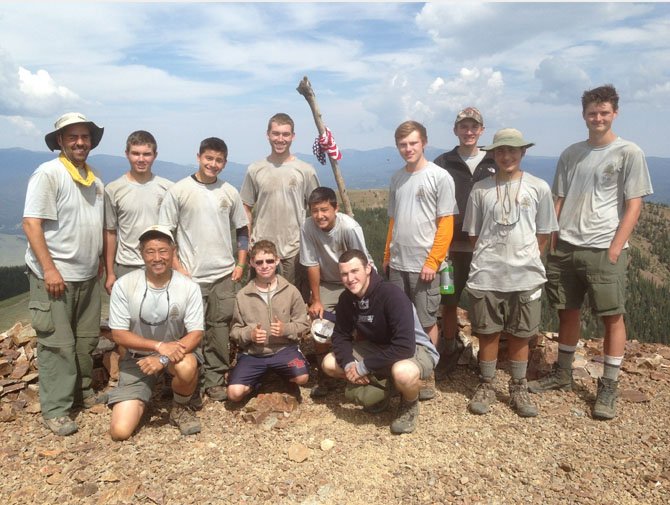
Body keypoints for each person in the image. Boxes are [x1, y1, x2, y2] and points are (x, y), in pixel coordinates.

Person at [528, 85, 654, 420]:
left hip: (602, 247)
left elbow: (634, 204)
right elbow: (559, 198)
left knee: (612, 316)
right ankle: (564, 374)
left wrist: (615, 249)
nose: (597, 118)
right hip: (566, 243)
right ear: (584, 115)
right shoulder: (572, 153)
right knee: (566, 311)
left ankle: (609, 385)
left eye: (604, 112)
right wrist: (551, 237)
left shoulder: (629, 152)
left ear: (615, 113)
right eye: (592, 113)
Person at [462, 128, 558, 417]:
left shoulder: (538, 187)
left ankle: (518, 386)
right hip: (487, 273)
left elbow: (543, 233)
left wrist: (524, 256)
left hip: (525, 274)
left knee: (521, 333)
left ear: (523, 152)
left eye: (512, 150)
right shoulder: (481, 189)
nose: (506, 156)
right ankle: (487, 383)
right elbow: (473, 234)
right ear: (494, 154)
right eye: (501, 151)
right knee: (488, 332)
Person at [23, 112, 106, 436]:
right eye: (72, 137)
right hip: (56, 276)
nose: (80, 142)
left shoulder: (93, 179)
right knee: (57, 344)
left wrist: (98, 259)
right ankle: (56, 409)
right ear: (60, 141)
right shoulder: (49, 173)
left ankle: (82, 395)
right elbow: (31, 223)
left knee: (84, 341)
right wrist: (49, 269)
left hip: (86, 275)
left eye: (84, 136)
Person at [159, 137, 249, 402]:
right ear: (198, 157)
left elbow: (243, 230)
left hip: (223, 274)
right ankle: (188, 379)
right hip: (189, 276)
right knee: (188, 330)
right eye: (209, 158)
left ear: (225, 162)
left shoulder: (229, 192)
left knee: (219, 328)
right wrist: (177, 267)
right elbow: (166, 234)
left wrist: (241, 263)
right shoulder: (180, 191)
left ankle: (215, 379)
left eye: (219, 160)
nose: (213, 164)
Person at [322, 250, 440, 434]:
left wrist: (364, 366)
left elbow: (404, 346)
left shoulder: (391, 295)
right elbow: (340, 335)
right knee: (330, 363)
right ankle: (383, 391)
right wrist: (348, 364)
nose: (350, 278)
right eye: (344, 274)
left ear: (368, 268)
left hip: (415, 347)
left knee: (403, 373)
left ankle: (409, 404)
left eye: (355, 271)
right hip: (380, 347)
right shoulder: (347, 299)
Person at [107, 225, 204, 440]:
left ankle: (179, 406)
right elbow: (119, 335)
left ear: (173, 252)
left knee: (187, 366)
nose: (157, 257)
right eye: (150, 251)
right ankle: (144, 394)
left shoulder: (188, 287)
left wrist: (162, 357)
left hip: (176, 354)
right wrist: (158, 347)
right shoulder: (124, 285)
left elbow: (196, 334)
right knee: (120, 431)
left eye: (163, 251)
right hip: (137, 359)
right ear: (141, 254)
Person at [383, 120, 457, 399]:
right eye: (402, 144)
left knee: (426, 320)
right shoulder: (397, 179)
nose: (408, 149)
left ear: (424, 142)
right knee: (399, 319)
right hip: (399, 262)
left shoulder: (439, 177)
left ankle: (427, 374)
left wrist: (434, 260)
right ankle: (401, 368)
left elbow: (446, 223)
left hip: (425, 263)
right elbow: (393, 221)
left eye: (413, 143)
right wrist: (387, 255)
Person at [433, 107, 497, 370]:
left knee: (484, 303)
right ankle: (449, 348)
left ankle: (485, 357)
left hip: (486, 248)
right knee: (449, 301)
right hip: (450, 248)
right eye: (464, 127)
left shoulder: (494, 160)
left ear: (481, 130)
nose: (469, 132)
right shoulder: (443, 163)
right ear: (455, 130)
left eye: (474, 127)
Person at [300, 186, 375, 398]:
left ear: (335, 208)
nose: (319, 215)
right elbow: (311, 263)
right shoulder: (307, 227)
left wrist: (362, 293)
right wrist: (316, 300)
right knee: (318, 320)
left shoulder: (349, 227)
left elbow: (361, 263)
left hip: (355, 279)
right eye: (315, 210)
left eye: (324, 209)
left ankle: (363, 365)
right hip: (328, 281)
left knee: (363, 320)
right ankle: (326, 376)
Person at [240, 113, 320, 297]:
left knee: (292, 301)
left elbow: (316, 209)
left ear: (293, 136)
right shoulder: (255, 169)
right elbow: (246, 208)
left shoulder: (305, 171)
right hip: (262, 251)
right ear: (267, 135)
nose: (280, 139)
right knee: (260, 299)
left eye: (285, 134)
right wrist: (249, 240)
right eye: (276, 133)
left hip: (294, 250)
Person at [228, 240, 311, 402]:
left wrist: (285, 329)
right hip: (253, 353)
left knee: (303, 377)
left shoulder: (291, 291)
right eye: (259, 262)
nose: (265, 266)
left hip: (284, 349)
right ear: (251, 263)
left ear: (277, 260)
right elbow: (235, 330)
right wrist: (249, 334)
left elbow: (304, 324)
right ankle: (258, 383)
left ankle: (284, 378)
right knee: (234, 394)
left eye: (269, 261)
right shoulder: (243, 295)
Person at [104, 130, 172, 294]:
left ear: (155, 155)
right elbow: (110, 232)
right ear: (127, 154)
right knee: (127, 317)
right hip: (127, 265)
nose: (141, 159)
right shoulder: (113, 189)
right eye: (135, 154)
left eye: (146, 154)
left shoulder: (168, 188)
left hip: (160, 264)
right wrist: (110, 272)